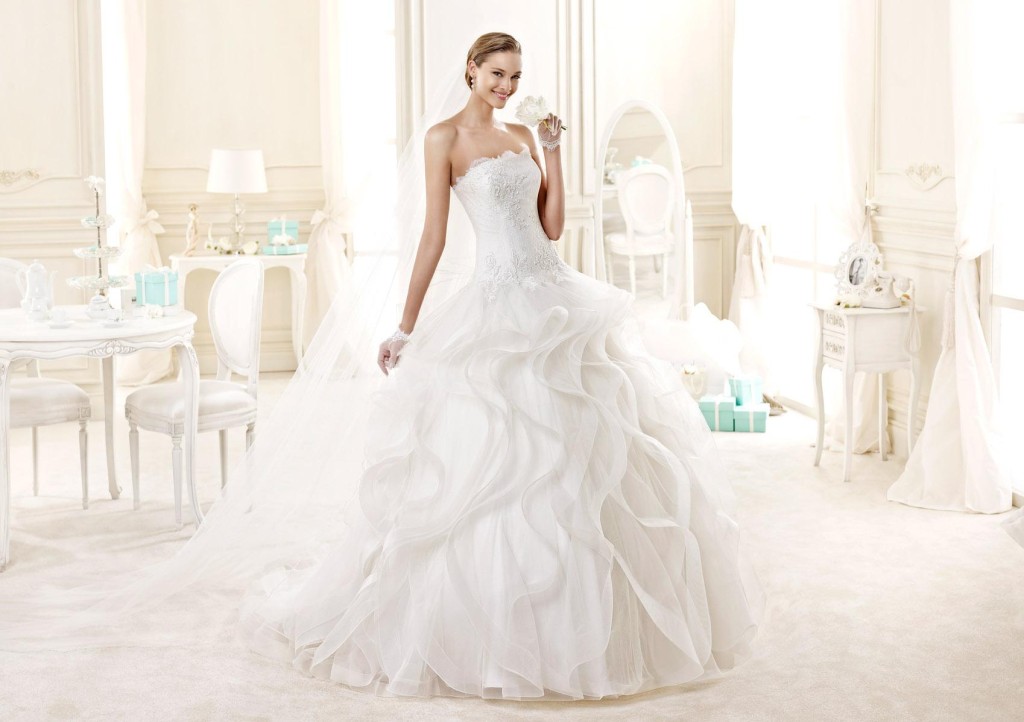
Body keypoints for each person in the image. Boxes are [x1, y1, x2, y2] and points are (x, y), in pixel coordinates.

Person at [237, 32, 763, 700]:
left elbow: (552, 227)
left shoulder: (521, 135)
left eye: (514, 76)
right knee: (490, 458)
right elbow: (433, 237)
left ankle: (591, 624)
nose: (507, 88)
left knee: (584, 454)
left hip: (555, 296)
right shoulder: (443, 139)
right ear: (471, 70)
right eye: (496, 74)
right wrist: (406, 324)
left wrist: (553, 152)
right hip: (493, 303)